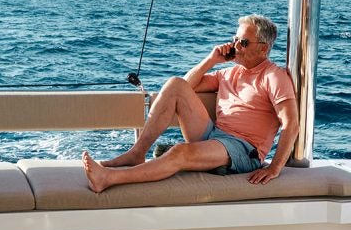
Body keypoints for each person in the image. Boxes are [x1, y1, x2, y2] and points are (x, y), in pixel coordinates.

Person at [82, 14, 299, 193]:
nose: (236, 46)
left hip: (243, 149)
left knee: (179, 152)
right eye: (235, 40)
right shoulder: (229, 72)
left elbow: (291, 124)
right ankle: (137, 153)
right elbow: (185, 86)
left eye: (243, 42)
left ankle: (109, 178)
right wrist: (211, 60)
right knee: (175, 83)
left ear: (263, 48)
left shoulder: (273, 77)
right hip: (215, 135)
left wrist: (275, 167)